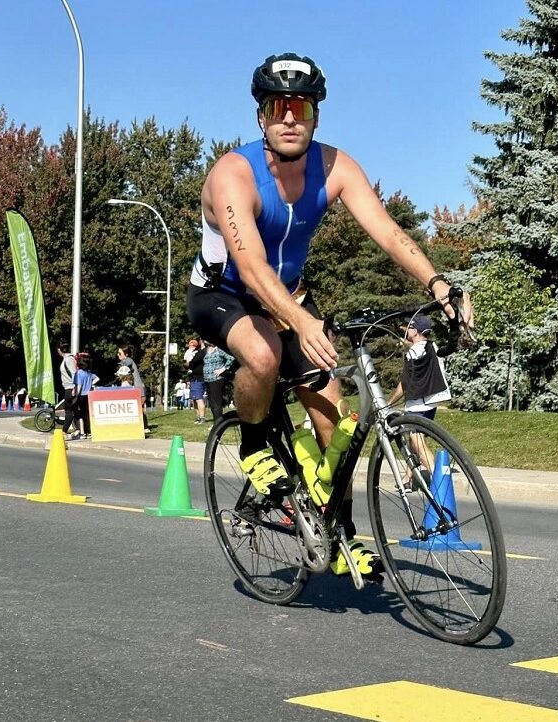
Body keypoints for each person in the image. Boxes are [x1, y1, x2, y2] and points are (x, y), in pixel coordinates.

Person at [185, 52, 473, 578]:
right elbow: (249, 268)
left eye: (300, 106)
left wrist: (437, 281)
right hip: (223, 294)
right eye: (278, 106)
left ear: (316, 114)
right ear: (261, 117)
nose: (290, 117)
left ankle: (339, 536)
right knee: (264, 352)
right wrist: (299, 321)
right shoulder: (233, 174)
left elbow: (386, 231)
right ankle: (253, 443)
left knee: (333, 423)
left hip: (290, 295)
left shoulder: (335, 166)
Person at [387, 315, 452, 490]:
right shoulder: (432, 346)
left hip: (417, 403)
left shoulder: (412, 354)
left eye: (408, 328)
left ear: (415, 330)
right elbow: (421, 349)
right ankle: (408, 478)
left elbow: (404, 384)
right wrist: (409, 344)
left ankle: (439, 482)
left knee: (416, 442)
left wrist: (389, 402)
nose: (406, 331)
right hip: (431, 402)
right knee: (413, 439)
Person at [117, 343, 149, 430]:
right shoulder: (128, 361)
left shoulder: (129, 360)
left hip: (138, 389)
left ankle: (144, 427)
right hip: (136, 389)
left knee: (139, 409)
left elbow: (125, 363)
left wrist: (121, 367)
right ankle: (144, 427)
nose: (118, 355)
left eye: (120, 353)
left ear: (126, 354)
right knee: (138, 409)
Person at [203, 341, 235, 420]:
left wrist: (223, 369)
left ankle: (218, 421)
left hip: (216, 379)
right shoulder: (205, 350)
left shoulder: (219, 350)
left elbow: (231, 358)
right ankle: (216, 421)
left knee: (216, 402)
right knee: (211, 402)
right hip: (207, 379)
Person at [71, 352, 98, 440]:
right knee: (87, 414)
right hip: (89, 396)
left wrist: (75, 396)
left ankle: (82, 433)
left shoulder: (78, 373)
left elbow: (79, 386)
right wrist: (91, 384)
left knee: (80, 415)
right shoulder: (89, 373)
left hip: (81, 396)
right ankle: (89, 431)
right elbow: (98, 378)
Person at [56, 340, 78, 436]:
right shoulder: (69, 359)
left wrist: (75, 387)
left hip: (70, 388)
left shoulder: (68, 359)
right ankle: (79, 429)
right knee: (73, 410)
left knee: (68, 410)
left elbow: (74, 374)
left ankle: (64, 431)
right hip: (69, 387)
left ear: (59, 350)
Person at [186, 339, 207, 424]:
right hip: (194, 378)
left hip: (198, 379)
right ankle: (198, 417)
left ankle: (202, 417)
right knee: (194, 399)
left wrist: (188, 364)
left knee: (198, 398)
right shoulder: (197, 352)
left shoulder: (202, 352)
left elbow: (191, 363)